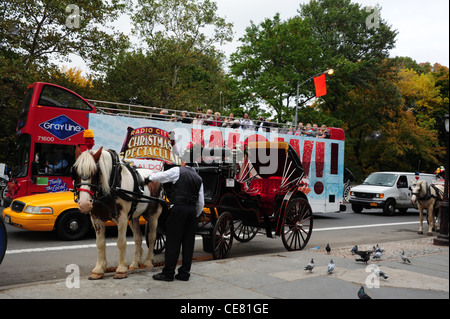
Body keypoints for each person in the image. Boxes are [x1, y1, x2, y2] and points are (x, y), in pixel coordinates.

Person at [148, 159, 204, 282]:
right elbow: (201, 202)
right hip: (192, 211)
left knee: (173, 241)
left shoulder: (177, 170)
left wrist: (149, 176)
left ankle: (168, 273)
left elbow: (159, 177)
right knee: (188, 243)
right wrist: (194, 214)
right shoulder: (198, 178)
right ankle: (184, 274)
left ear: (184, 162)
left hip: (179, 209)